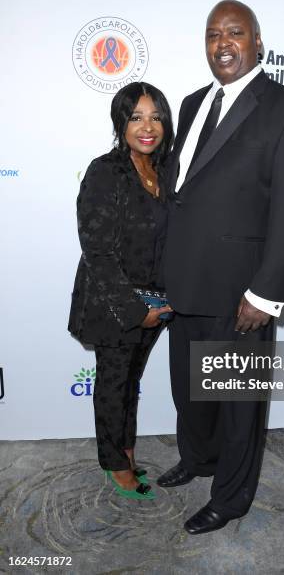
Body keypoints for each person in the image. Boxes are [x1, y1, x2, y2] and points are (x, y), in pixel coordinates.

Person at [158, 0, 284, 533]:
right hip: (185, 282)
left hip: (240, 292)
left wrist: (265, 293)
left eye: (235, 33)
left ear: (257, 44)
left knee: (236, 404)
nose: (222, 43)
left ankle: (231, 497)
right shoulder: (189, 104)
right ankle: (199, 460)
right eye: (212, 34)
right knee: (189, 389)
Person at [68, 82, 173, 500]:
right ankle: (115, 463)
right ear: (121, 122)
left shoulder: (163, 171)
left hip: (156, 303)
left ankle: (126, 450)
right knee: (113, 386)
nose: (147, 127)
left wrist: (162, 302)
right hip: (115, 306)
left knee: (131, 383)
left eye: (156, 117)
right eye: (136, 117)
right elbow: (97, 250)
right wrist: (133, 311)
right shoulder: (105, 171)